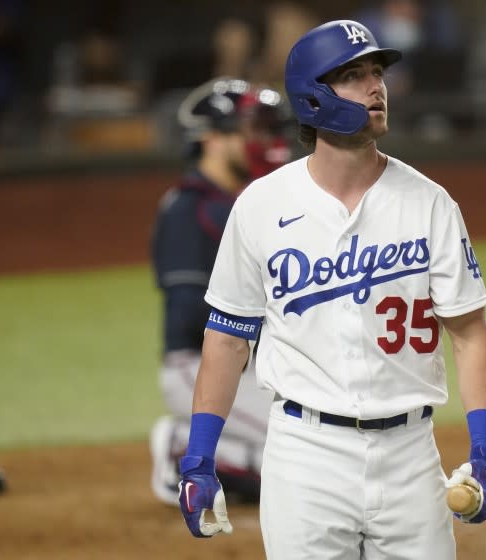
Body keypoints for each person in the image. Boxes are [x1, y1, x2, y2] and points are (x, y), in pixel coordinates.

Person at [176, 20, 486, 559]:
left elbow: (470, 334)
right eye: (354, 75)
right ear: (313, 97)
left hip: (410, 456)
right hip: (305, 457)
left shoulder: (430, 203)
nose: (376, 86)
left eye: (377, 73)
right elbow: (228, 337)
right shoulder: (261, 205)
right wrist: (199, 458)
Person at [149, 77, 294, 506]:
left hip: (249, 369)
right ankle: (180, 443)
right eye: (253, 130)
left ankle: (220, 453)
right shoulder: (188, 208)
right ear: (213, 139)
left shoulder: (246, 203)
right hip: (196, 367)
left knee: (317, 448)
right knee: (309, 462)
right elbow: (189, 311)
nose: (264, 141)